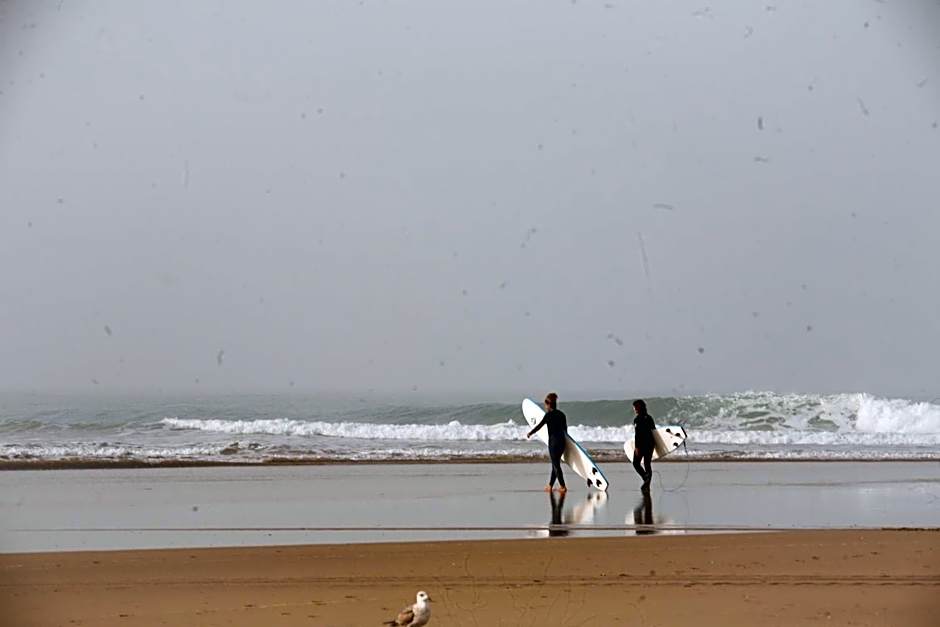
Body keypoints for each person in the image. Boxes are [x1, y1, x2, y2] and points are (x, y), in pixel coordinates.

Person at [527, 392, 567, 493]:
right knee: (555, 464)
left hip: (553, 443)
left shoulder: (548, 415)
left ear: (548, 404)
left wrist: (530, 433)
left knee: (556, 465)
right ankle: (550, 486)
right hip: (562, 442)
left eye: (545, 405)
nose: (545, 407)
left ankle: (563, 486)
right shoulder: (562, 415)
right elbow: (565, 431)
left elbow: (539, 426)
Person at [632, 399, 656, 491]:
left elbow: (638, 435)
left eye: (635, 407)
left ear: (640, 407)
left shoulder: (637, 419)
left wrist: (637, 447)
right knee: (647, 464)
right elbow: (654, 432)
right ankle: (647, 483)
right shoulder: (649, 418)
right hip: (650, 443)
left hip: (642, 445)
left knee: (636, 463)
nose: (634, 409)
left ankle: (645, 478)